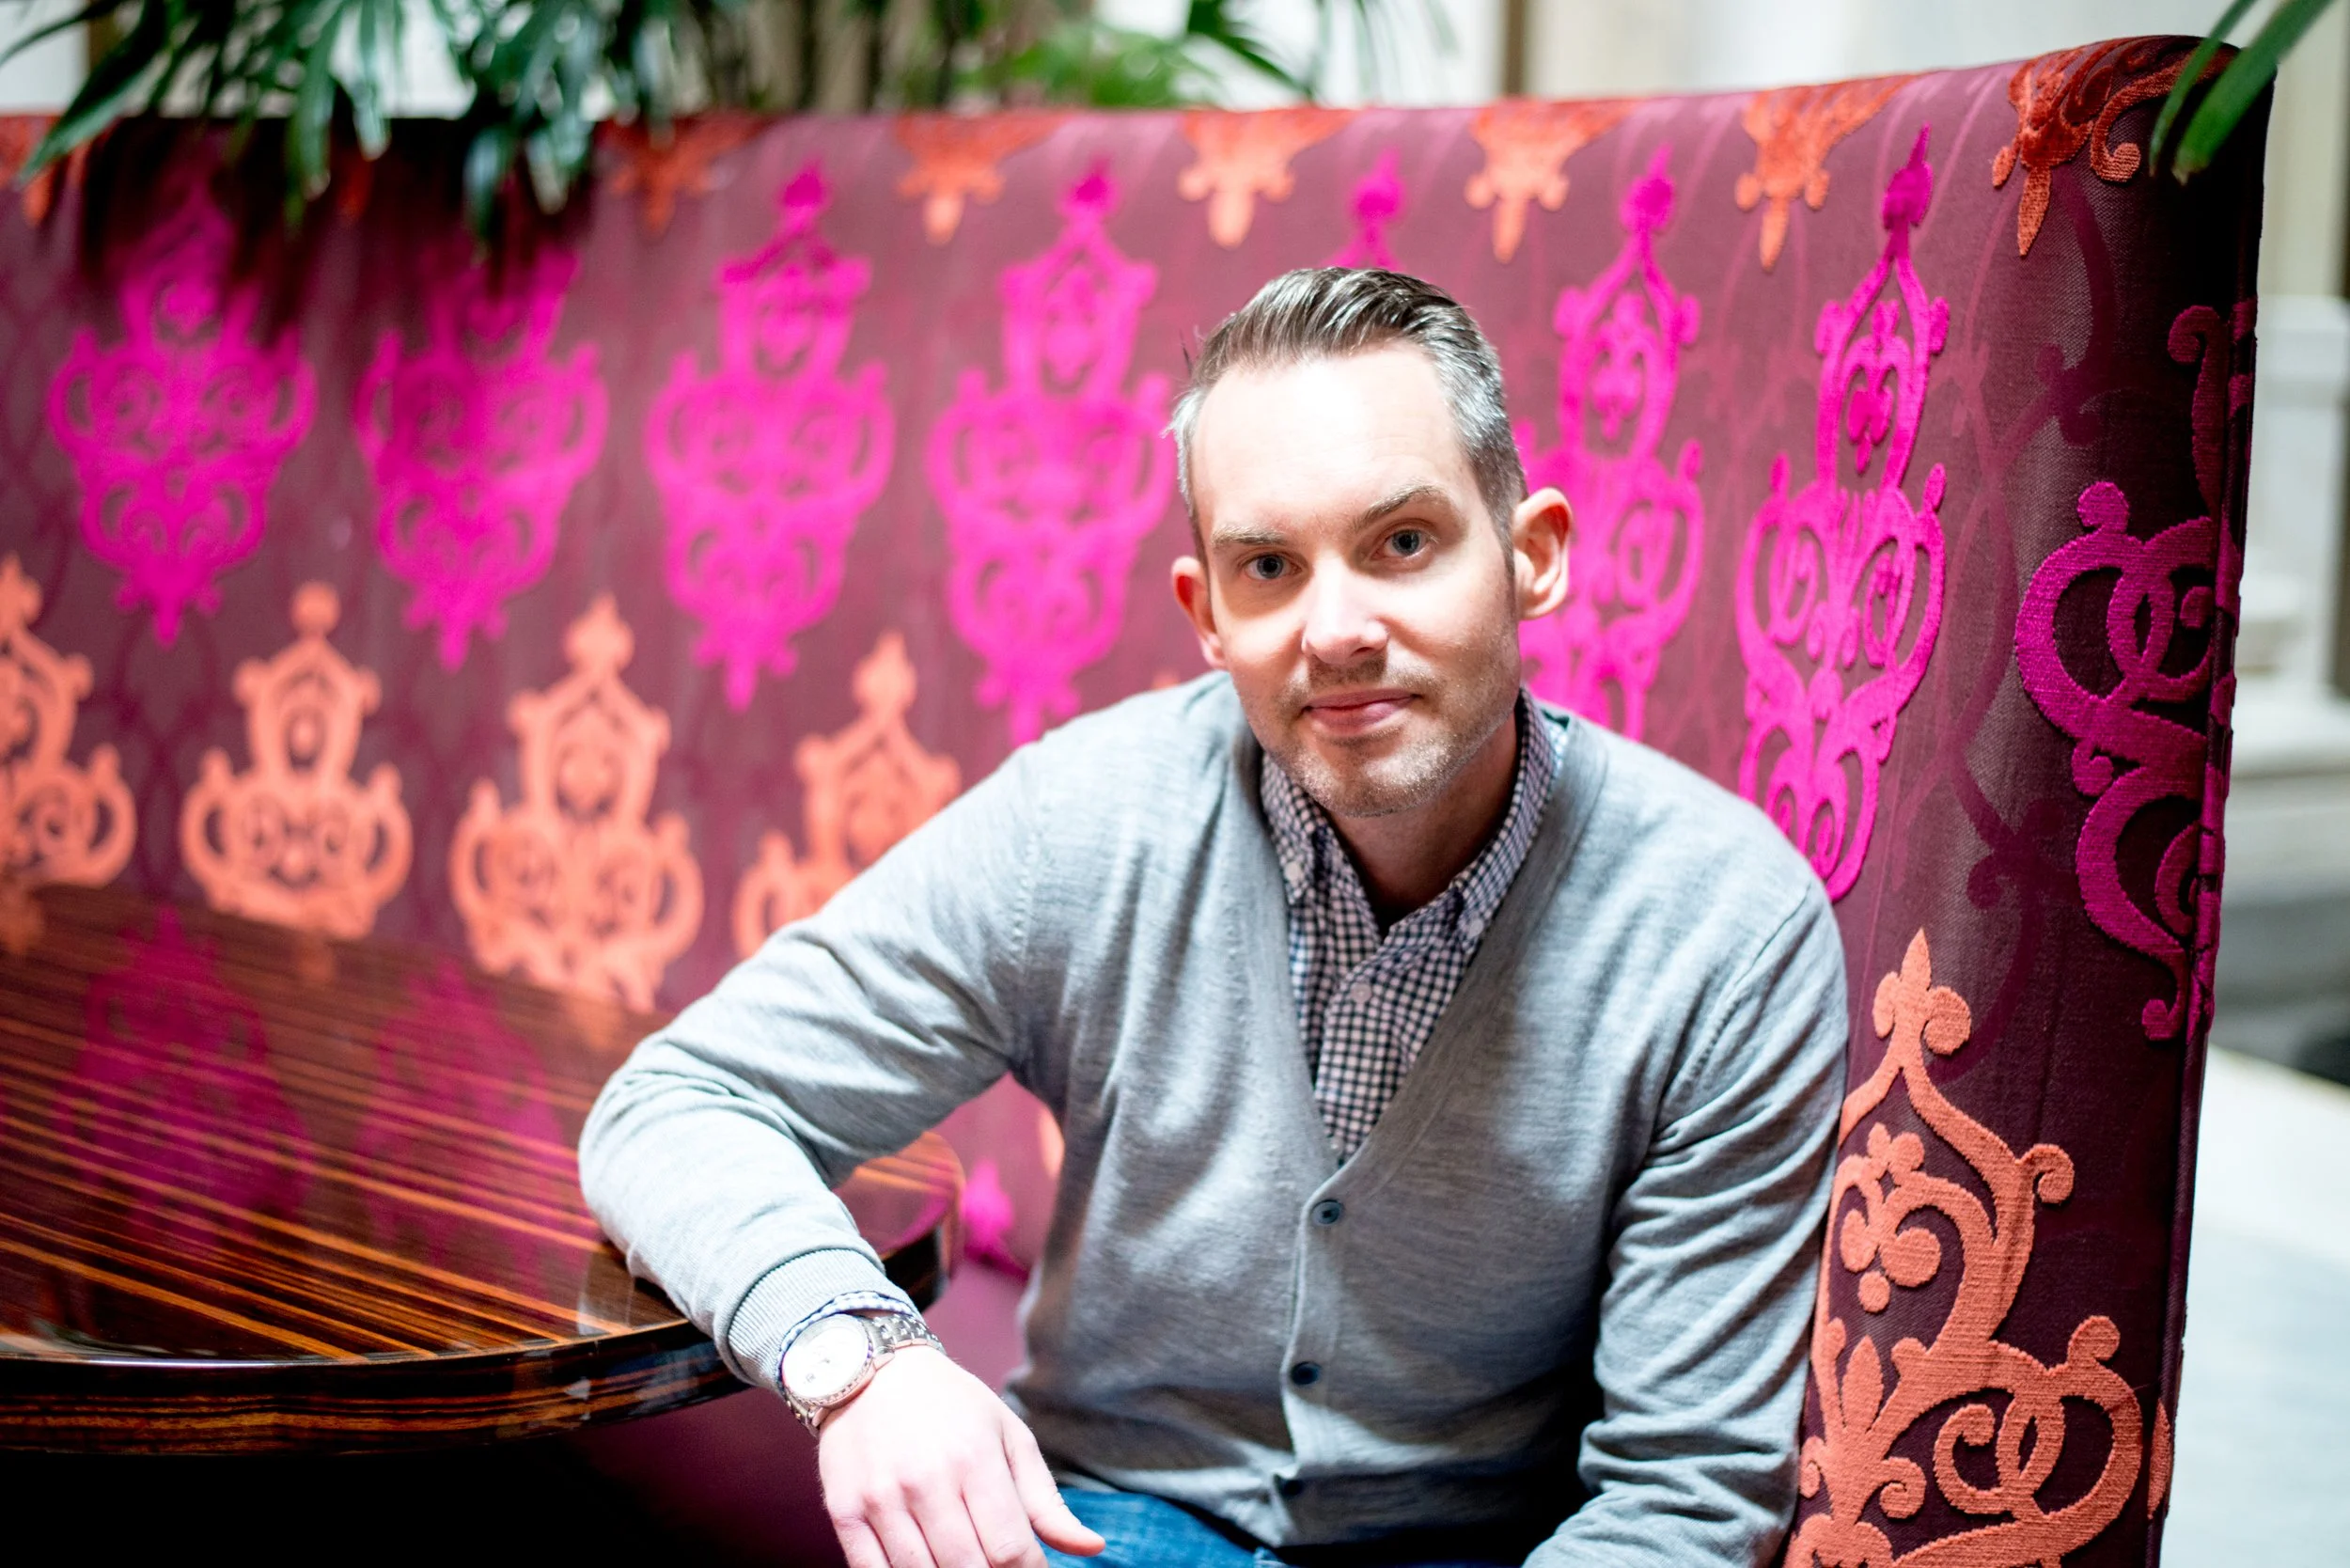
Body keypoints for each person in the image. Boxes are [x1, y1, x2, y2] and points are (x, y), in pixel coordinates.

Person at [581, 267, 1847, 1568]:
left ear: (1532, 557)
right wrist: (859, 1363)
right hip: (1097, 1523)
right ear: (1207, 617)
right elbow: (677, 1106)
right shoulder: (1082, 824)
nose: (1339, 629)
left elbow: (1681, 1500)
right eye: (1269, 566)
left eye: (1403, 541)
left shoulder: (1728, 934)